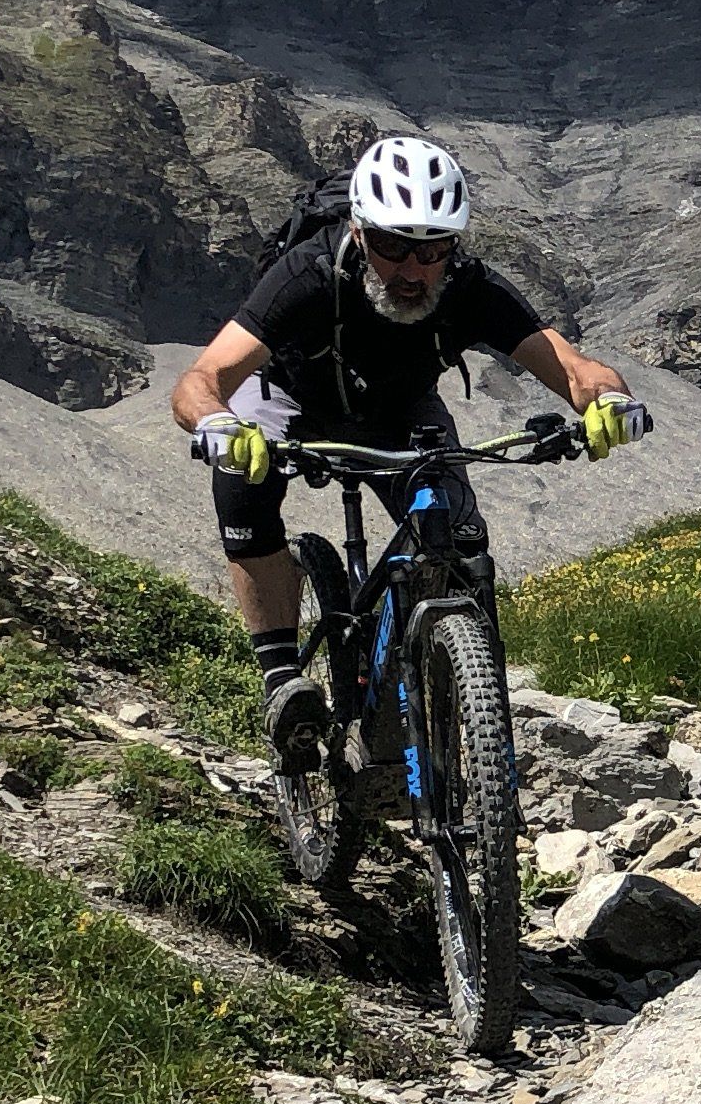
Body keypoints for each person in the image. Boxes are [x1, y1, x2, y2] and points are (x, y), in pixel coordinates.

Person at [168, 132, 648, 756]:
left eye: (433, 249)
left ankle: (461, 713)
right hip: (290, 396)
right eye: (393, 246)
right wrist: (217, 423)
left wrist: (608, 401)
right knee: (242, 481)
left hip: (400, 411)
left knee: (460, 541)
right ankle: (283, 677)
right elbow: (202, 378)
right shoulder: (308, 274)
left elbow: (576, 369)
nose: (413, 270)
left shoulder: (469, 287)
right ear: (360, 231)